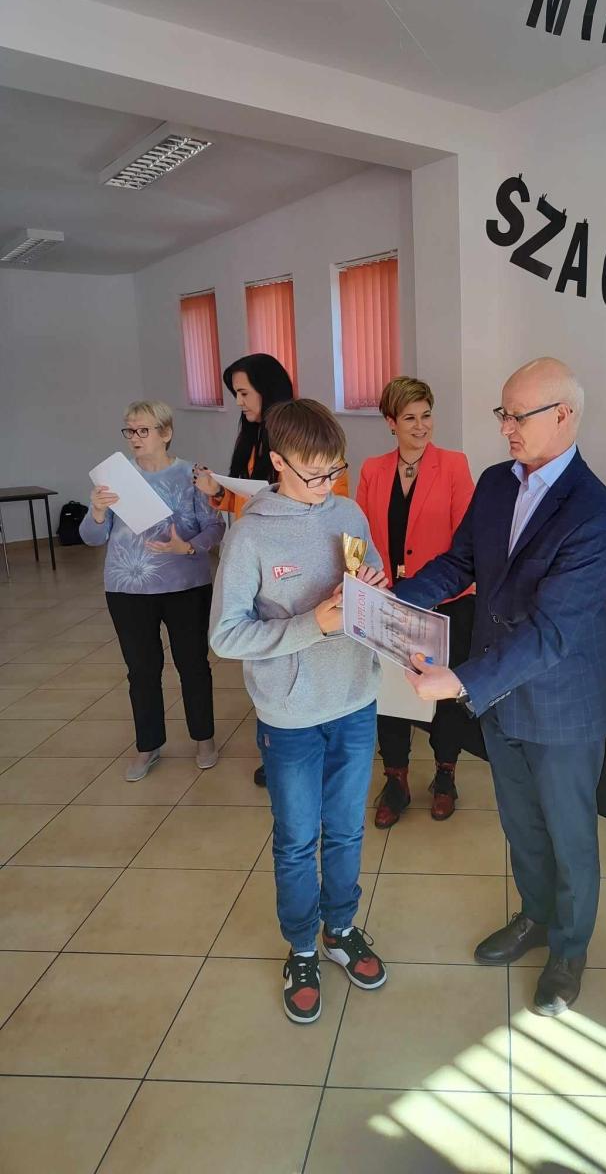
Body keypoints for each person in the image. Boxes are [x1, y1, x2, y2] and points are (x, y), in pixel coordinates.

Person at [396, 357, 606, 1016]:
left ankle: (569, 950)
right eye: (503, 413)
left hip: (562, 705)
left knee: (569, 837)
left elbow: (554, 632)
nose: (505, 429)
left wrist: (461, 680)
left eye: (517, 416)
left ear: (563, 416)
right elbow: (461, 562)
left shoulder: (594, 511)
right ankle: (535, 917)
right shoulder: (497, 482)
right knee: (522, 825)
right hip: (501, 697)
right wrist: (396, 603)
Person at [209, 398, 389, 1025]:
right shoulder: (250, 533)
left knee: (346, 828)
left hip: (355, 699)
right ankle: (303, 947)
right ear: (278, 462)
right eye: (313, 474)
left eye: (335, 471)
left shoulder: (348, 511)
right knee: (296, 839)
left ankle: (340, 928)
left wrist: (374, 590)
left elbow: (371, 571)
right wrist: (314, 623)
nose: (326, 485)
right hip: (289, 713)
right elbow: (226, 635)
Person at [193, 353, 349, 787]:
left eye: (244, 392)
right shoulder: (251, 441)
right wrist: (218, 491)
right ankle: (277, 745)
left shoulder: (319, 459)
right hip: (263, 554)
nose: (240, 402)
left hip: (342, 682)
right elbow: (228, 634)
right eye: (235, 394)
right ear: (280, 463)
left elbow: (334, 505)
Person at [81, 400, 225, 781]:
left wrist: (187, 547)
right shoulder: (115, 478)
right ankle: (148, 745)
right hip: (126, 589)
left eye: (143, 430)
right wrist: (97, 512)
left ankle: (204, 738)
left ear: (166, 433)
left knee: (193, 665)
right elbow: (91, 538)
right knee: (141, 670)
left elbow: (215, 528)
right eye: (129, 430)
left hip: (186, 586)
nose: (135, 437)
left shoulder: (192, 475)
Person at [356, 377, 476, 825]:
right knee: (391, 692)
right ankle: (396, 779)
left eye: (426, 415)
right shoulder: (373, 470)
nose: (421, 425)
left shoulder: (454, 465)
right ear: (391, 422)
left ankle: (445, 775)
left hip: (447, 600)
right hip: (389, 600)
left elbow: (467, 541)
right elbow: (361, 537)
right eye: (409, 418)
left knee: (444, 694)